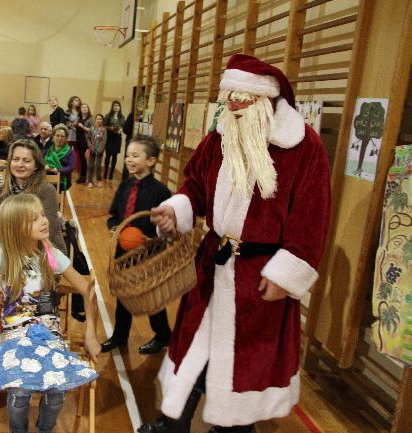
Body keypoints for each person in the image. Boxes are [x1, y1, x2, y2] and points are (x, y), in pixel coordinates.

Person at [138, 54, 331, 433]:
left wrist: (286, 273)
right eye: (229, 98)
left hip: (259, 275)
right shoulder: (219, 137)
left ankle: (233, 428)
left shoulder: (304, 148)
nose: (233, 106)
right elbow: (195, 185)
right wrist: (177, 209)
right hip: (212, 260)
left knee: (244, 360)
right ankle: (172, 422)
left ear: (266, 100)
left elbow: (313, 218)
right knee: (193, 345)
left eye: (242, 99)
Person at [0, 193, 100, 433]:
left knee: (56, 393)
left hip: (49, 334)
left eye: (42, 214)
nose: (44, 220)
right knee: (20, 393)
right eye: (34, 218)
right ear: (15, 226)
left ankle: (44, 429)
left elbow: (87, 291)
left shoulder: (51, 255)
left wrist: (91, 332)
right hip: (13, 334)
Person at [100, 135, 173, 355]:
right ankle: (120, 336)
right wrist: (115, 227)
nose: (129, 160)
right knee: (124, 295)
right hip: (124, 252)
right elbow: (114, 215)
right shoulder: (124, 185)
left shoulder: (161, 192)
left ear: (150, 161)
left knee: (149, 297)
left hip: (148, 253)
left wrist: (151, 241)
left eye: (135, 155)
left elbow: (167, 228)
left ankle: (163, 336)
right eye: (128, 155)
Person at [0, 139, 67, 255]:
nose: (19, 165)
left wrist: (4, 235)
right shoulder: (6, 191)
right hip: (13, 253)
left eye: (26, 161)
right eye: (15, 159)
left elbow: (47, 234)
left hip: (46, 254)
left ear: (36, 165)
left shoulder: (46, 190)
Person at [44, 123, 76, 191]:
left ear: (66, 138)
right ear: (53, 137)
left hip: (63, 180)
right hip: (46, 179)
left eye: (62, 136)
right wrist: (44, 167)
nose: (59, 138)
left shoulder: (70, 152)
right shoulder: (47, 151)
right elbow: (41, 164)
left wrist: (59, 170)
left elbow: (71, 168)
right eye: (57, 135)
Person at [103, 101, 124, 181]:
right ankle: (105, 172)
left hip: (118, 138)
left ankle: (111, 173)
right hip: (109, 137)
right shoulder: (108, 116)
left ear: (120, 107)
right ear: (112, 106)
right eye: (115, 105)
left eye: (118, 106)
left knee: (115, 156)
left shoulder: (122, 117)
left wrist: (121, 129)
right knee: (108, 156)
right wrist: (110, 128)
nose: (116, 107)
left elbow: (123, 127)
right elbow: (104, 126)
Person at [87, 113, 107, 188]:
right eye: (97, 119)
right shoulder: (92, 128)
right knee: (91, 166)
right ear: (95, 120)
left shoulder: (104, 130)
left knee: (98, 166)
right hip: (92, 150)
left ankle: (99, 180)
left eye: (100, 119)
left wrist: (100, 149)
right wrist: (89, 145)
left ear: (102, 120)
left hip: (99, 151)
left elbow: (104, 141)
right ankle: (90, 181)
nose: (98, 120)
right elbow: (88, 137)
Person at [75, 103, 93, 184]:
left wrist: (82, 126)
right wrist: (72, 125)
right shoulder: (79, 118)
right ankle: (82, 176)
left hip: (85, 142)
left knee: (84, 159)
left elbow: (92, 130)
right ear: (80, 109)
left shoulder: (90, 119)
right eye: (83, 107)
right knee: (81, 159)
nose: (85, 108)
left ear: (88, 109)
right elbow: (77, 129)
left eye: (86, 107)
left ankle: (83, 177)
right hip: (78, 140)